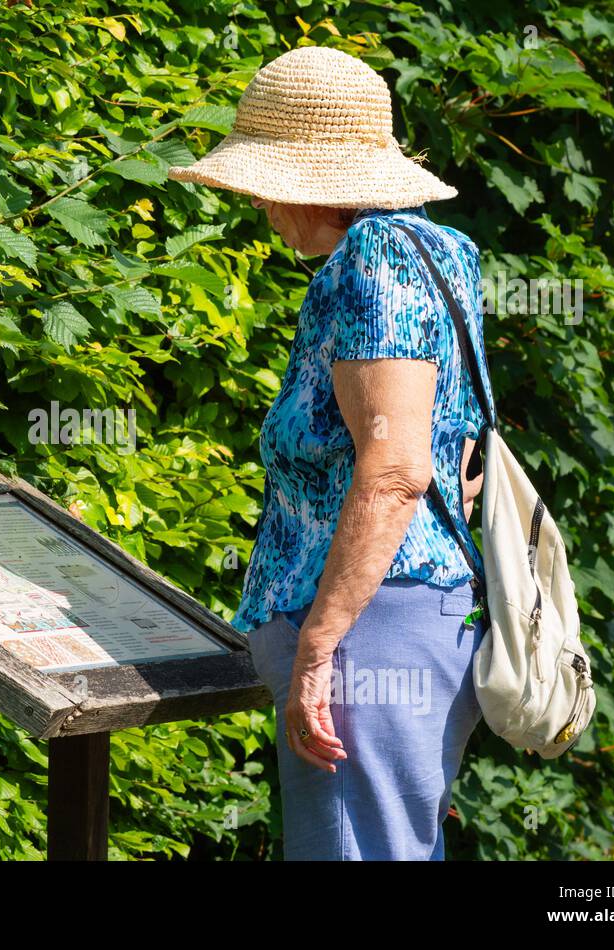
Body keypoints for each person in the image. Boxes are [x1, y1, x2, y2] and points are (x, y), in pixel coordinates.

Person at [169, 45, 497, 860]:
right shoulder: (441, 252)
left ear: (307, 180)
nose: (256, 203)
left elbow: (394, 470)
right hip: (420, 613)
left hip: (367, 629)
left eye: (262, 182)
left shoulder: (370, 262)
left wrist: (318, 648)